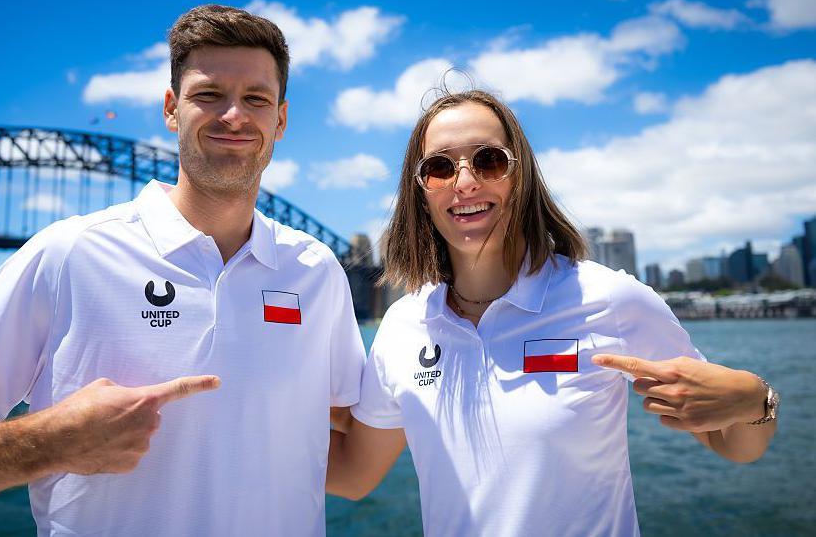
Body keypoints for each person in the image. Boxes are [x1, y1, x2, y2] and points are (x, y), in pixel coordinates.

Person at [0, 5, 366, 536]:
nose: (233, 116)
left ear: (281, 119)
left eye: (256, 99)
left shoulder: (315, 271)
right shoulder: (67, 255)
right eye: (208, 95)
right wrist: (50, 441)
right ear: (171, 109)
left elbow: (350, 440)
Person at [325, 89, 778, 536]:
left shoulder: (610, 298)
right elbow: (352, 474)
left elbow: (732, 443)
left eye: (489, 160)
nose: (465, 182)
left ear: (521, 177)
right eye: (440, 167)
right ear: (420, 191)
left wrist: (756, 397)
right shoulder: (403, 328)